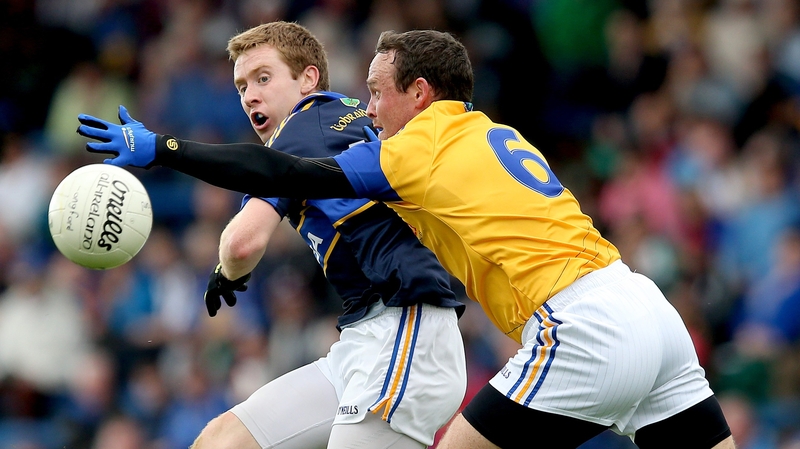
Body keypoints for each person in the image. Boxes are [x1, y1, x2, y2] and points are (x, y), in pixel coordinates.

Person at [77, 29, 735, 449]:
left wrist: (161, 147)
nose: (365, 110)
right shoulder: (490, 132)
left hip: (578, 323)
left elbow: (286, 172)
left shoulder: (418, 142)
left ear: (418, 94)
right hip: (646, 309)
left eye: (375, 94)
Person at [113, 22, 469, 449]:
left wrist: (227, 270)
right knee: (222, 440)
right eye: (242, 86)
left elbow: (243, 243)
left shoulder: (304, 125)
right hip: (365, 341)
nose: (250, 96)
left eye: (264, 78)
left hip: (407, 330)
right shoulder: (346, 115)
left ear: (309, 79)